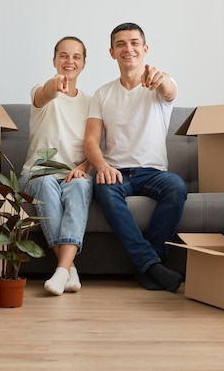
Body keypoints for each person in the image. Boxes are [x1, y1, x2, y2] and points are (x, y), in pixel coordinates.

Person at [83, 23, 187, 292]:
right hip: (116, 172)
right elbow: (92, 141)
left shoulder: (159, 83)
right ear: (112, 53)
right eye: (120, 44)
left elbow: (169, 89)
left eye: (133, 43)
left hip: (154, 173)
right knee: (103, 187)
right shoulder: (102, 94)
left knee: (176, 186)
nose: (128, 48)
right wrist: (102, 165)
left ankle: (147, 263)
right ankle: (153, 267)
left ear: (144, 49)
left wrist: (160, 78)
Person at [19, 36, 93, 296]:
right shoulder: (41, 90)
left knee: (82, 185)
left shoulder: (91, 102)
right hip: (37, 173)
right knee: (46, 182)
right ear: (54, 61)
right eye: (63, 55)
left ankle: (61, 272)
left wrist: (83, 166)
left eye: (76, 56)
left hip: (73, 174)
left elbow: (94, 145)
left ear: (83, 63)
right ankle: (68, 269)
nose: (69, 61)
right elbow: (45, 94)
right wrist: (54, 86)